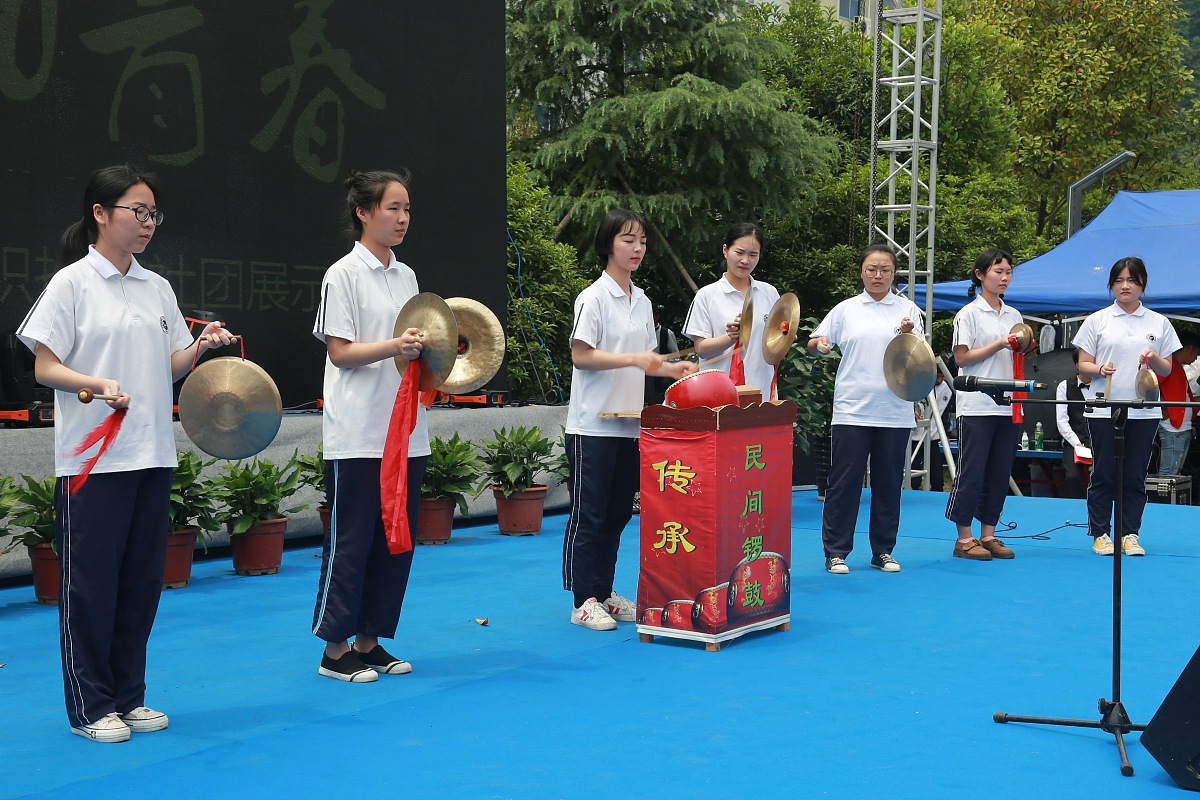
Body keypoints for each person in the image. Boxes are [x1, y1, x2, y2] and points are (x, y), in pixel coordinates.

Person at [16, 165, 235, 742]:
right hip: (92, 460)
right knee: (90, 585)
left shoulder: (156, 286)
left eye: (153, 214)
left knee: (139, 585)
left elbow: (168, 365)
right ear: (100, 214)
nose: (147, 223)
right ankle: (90, 706)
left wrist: (201, 349)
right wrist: (97, 383)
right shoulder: (71, 284)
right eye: (136, 211)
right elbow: (44, 365)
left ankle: (127, 697)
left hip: (151, 454)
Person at [311, 169, 429, 681]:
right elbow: (340, 352)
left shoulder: (407, 277)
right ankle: (335, 651)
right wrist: (395, 346)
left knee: (394, 538)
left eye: (406, 210)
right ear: (363, 212)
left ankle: (370, 641)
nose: (402, 219)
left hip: (405, 430)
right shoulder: (343, 274)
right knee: (352, 539)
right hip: (358, 431)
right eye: (392, 209)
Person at [563, 208, 695, 630]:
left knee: (620, 511)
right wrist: (636, 359)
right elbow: (581, 355)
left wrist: (670, 369)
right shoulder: (594, 297)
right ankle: (582, 599)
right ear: (608, 244)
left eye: (641, 241)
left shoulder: (643, 301)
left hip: (629, 423)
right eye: (627, 240)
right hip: (592, 425)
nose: (637, 248)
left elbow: (644, 361)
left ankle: (603, 590)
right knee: (590, 513)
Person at [808, 243, 923, 574]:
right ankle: (836, 551)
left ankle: (883, 550)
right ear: (861, 271)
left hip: (895, 408)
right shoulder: (846, 309)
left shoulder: (908, 311)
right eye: (872, 269)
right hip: (853, 409)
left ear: (894, 274)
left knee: (888, 483)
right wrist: (820, 345)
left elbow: (920, 359)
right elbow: (815, 343)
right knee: (844, 482)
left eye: (885, 270)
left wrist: (907, 335)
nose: (878, 275)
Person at [1074, 257, 1181, 556]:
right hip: (1103, 407)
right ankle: (1100, 533)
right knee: (1104, 472)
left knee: (1135, 475)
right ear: (1111, 285)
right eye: (1119, 280)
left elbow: (1167, 369)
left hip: (1143, 409)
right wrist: (1099, 370)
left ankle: (1130, 533)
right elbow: (1082, 365)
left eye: (1131, 280)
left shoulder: (1159, 322)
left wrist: (1152, 357)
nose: (1125, 286)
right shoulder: (1097, 320)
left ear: (1142, 284)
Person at [944, 249, 1022, 561]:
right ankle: (964, 538)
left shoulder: (1014, 315)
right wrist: (999, 344)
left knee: (1000, 473)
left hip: (1008, 403)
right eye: (997, 272)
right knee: (971, 472)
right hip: (976, 404)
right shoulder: (969, 314)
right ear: (980, 275)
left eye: (1008, 272)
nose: (1003, 277)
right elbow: (961, 358)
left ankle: (988, 534)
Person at [683, 223, 780, 395]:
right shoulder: (707, 295)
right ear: (725, 250)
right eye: (739, 252)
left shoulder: (769, 293)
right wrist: (729, 338)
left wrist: (784, 336)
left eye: (753, 255)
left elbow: (774, 344)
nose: (745, 260)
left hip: (762, 392)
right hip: (718, 394)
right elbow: (700, 348)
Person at [1155, 331, 1200, 476]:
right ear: (1189, 348)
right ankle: (1163, 500)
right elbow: (1150, 384)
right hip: (1173, 427)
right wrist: (1162, 408)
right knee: (1169, 472)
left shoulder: (1176, 366)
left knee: (1175, 472)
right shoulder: (1168, 365)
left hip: (1180, 425)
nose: (1195, 358)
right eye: (1196, 354)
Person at [1055, 348, 1096, 499]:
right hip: (1074, 441)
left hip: (1100, 440)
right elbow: (1062, 421)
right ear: (1077, 364)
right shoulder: (1064, 386)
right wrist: (1077, 443)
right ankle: (1071, 511)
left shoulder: (1105, 385)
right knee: (1072, 477)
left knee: (1105, 476)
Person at [911, 371, 953, 491]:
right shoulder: (918, 384)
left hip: (933, 438)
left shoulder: (948, 389)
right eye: (937, 376)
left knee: (937, 478)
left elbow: (946, 414)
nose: (939, 380)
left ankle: (937, 502)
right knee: (914, 478)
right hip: (914, 437)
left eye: (942, 377)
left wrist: (946, 433)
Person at [645, 305, 680, 405]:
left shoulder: (666, 333)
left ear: (657, 316)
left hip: (663, 373)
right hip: (647, 373)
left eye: (652, 316)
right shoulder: (643, 333)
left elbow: (676, 355)